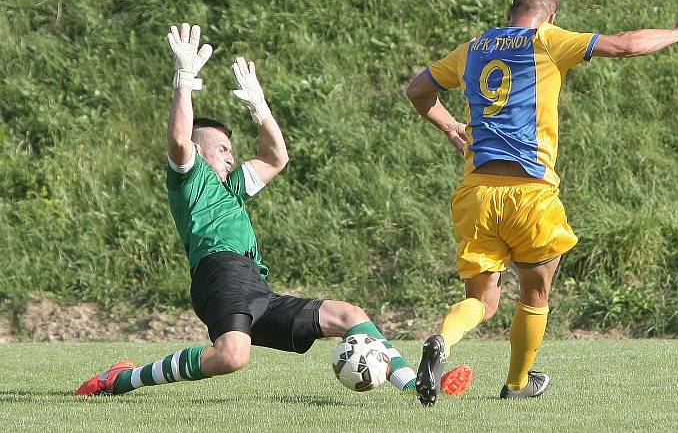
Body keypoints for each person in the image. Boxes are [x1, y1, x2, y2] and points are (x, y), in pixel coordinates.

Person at [75, 23, 426, 396]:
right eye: (223, 149)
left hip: (254, 284)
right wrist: (185, 78)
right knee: (231, 357)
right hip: (220, 272)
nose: (231, 157)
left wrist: (260, 108)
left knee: (350, 315)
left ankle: (414, 385)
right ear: (202, 149)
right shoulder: (190, 180)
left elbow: (276, 158)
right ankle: (120, 379)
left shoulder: (232, 189)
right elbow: (179, 139)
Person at [406, 0, 678, 406]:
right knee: (534, 293)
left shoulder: (474, 48)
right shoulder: (547, 39)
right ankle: (518, 383)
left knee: (482, 301)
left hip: (477, 191)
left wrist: (452, 125)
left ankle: (443, 340)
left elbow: (418, 90)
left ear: (510, 11)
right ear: (552, 15)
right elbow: (625, 46)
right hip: (530, 193)